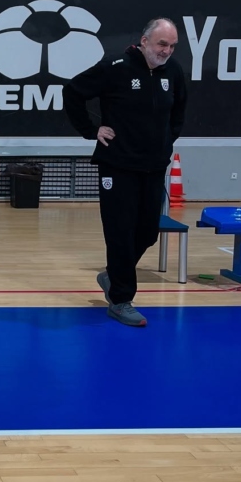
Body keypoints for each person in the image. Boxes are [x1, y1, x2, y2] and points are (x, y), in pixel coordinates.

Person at [63, 17, 187, 327]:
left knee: (147, 233)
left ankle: (113, 276)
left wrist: (166, 141)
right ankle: (120, 300)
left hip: (154, 166)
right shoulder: (115, 67)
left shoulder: (173, 71)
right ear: (144, 41)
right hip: (117, 165)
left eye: (172, 46)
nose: (167, 51)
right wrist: (92, 130)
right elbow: (73, 92)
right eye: (162, 44)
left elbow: (179, 111)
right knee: (120, 232)